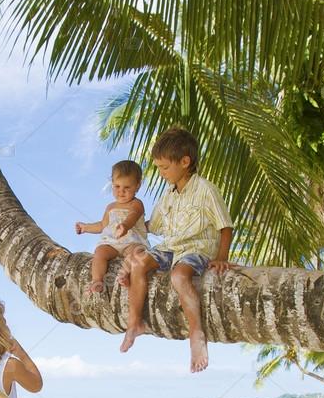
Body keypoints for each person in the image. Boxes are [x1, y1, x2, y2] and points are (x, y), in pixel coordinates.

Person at [118, 127, 234, 373]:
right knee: (138, 262)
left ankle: (196, 335)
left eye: (164, 167)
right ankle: (135, 324)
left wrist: (222, 258)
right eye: (158, 167)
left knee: (179, 276)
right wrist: (126, 226)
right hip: (170, 247)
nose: (160, 173)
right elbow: (153, 225)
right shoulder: (168, 195)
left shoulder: (205, 189)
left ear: (185, 162)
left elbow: (225, 226)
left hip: (197, 247)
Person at [75, 160, 149, 295]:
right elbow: (103, 225)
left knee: (138, 253)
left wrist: (125, 226)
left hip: (132, 241)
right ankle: (97, 281)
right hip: (112, 242)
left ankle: (125, 274)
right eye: (117, 186)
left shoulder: (137, 204)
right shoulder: (110, 207)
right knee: (100, 252)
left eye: (127, 187)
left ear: (137, 186)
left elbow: (134, 215)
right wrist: (85, 227)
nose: (121, 192)